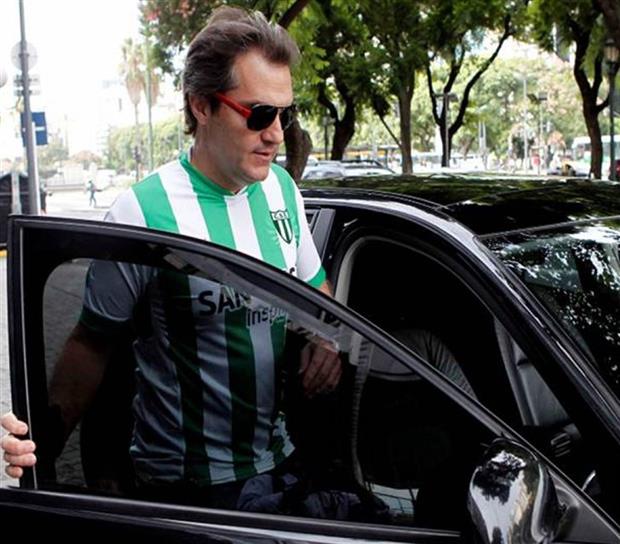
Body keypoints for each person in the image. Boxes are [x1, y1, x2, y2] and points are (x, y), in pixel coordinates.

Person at [1, 6, 340, 509]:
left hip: (280, 463)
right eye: (259, 114)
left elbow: (315, 290)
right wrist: (37, 446)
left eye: (284, 114)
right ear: (201, 105)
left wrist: (325, 338)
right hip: (185, 492)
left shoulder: (282, 191)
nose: (275, 133)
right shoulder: (142, 210)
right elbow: (92, 345)